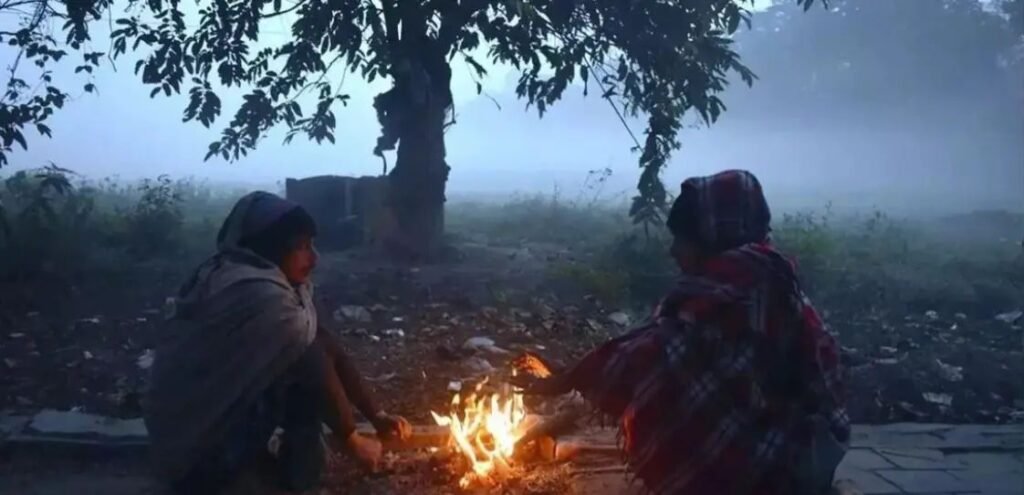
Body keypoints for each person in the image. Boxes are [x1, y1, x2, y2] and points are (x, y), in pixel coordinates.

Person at [515, 170, 849, 494]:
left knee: (674, 386)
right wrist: (573, 374)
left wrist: (568, 379)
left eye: (682, 241)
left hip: (781, 464)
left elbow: (653, 354)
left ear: (712, 239)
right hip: (809, 452)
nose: (673, 251)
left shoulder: (739, 292)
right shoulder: (765, 275)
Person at [144, 191, 411, 494]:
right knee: (305, 383)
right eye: (301, 247)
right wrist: (352, 440)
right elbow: (312, 360)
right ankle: (246, 479)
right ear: (271, 248)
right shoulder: (256, 293)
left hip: (209, 428)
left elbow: (324, 343)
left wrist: (376, 415)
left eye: (312, 245)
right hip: (194, 449)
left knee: (304, 378)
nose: (314, 258)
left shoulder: (264, 280)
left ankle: (277, 473)